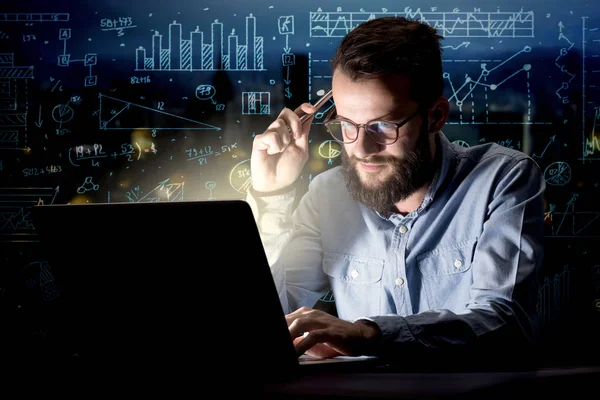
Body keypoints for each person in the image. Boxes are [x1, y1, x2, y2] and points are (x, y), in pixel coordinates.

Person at [246, 16, 545, 364]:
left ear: (435, 116)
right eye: (346, 125)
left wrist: (368, 334)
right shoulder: (327, 195)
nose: (360, 149)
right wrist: (273, 194)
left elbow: (504, 324)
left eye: (383, 126)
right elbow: (270, 320)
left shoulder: (502, 180)